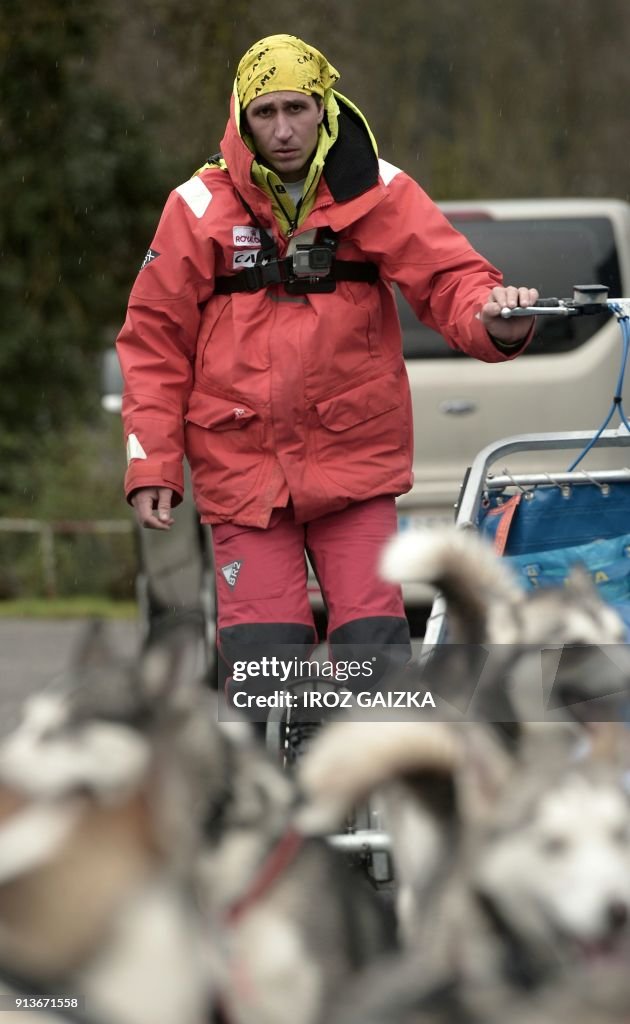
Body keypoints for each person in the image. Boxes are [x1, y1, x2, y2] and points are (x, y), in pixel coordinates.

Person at [116, 33, 538, 706]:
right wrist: (154, 465)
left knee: (375, 659)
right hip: (243, 475)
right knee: (264, 671)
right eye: (265, 113)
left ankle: (379, 803)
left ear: (324, 107)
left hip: (354, 468)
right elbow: (153, 343)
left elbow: (452, 280)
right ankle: (282, 809)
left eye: (297, 109)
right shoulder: (195, 207)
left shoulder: (379, 190)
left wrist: (496, 318)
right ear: (241, 117)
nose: (283, 131)